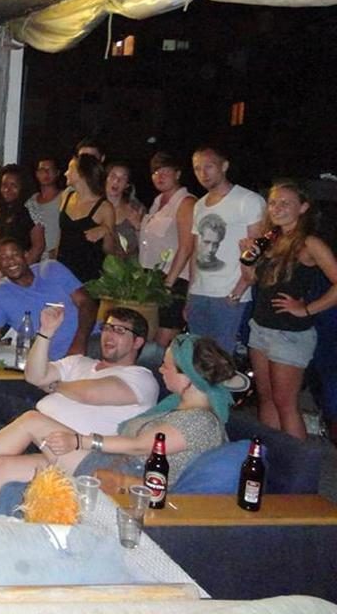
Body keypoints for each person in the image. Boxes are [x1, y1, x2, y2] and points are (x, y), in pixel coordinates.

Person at [0, 334, 241, 517]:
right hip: (116, 463)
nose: (161, 369)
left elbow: (141, 445)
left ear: (188, 377)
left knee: (32, 421)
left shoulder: (201, 422)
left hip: (122, 475)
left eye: (167, 364)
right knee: (4, 466)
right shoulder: (180, 407)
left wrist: (81, 440)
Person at [0, 305, 159, 468]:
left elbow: (91, 394)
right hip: (30, 415)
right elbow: (35, 376)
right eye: (107, 328)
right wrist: (46, 332)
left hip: (57, 441)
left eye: (120, 331)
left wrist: (55, 385)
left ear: (138, 342)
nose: (109, 335)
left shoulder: (141, 377)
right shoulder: (80, 361)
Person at [246, 180, 337, 439]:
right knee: (266, 399)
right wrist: (247, 256)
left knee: (286, 404)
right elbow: (254, 279)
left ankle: (297, 471)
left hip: (290, 334)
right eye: (273, 202)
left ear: (303, 207)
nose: (277, 208)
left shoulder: (309, 243)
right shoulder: (270, 240)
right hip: (260, 327)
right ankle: (268, 459)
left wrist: (307, 309)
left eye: (286, 203)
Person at [0, 237, 97, 367]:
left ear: (26, 255)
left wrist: (79, 343)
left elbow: (87, 303)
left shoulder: (51, 269)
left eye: (15, 255)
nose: (10, 261)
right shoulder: (0, 294)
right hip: (57, 363)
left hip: (91, 339)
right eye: (3, 258)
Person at [187, 145, 266, 354]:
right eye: (197, 168)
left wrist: (236, 293)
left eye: (209, 166)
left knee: (223, 359)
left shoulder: (248, 201)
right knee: (198, 358)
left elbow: (259, 250)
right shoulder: (200, 205)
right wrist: (190, 294)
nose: (203, 173)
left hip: (229, 294)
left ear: (224, 166)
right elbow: (196, 252)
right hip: (200, 293)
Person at [139, 151, 196, 347]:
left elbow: (187, 246)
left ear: (178, 174)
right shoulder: (157, 203)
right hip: (151, 280)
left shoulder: (186, 202)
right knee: (148, 339)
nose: (159, 176)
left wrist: (169, 283)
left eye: (165, 171)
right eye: (155, 172)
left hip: (173, 280)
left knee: (162, 342)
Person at [55, 153, 116, 283]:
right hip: (63, 271)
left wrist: (106, 231)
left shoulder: (104, 207)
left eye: (70, 169)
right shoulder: (66, 197)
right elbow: (61, 237)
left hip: (88, 276)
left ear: (82, 173)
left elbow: (110, 250)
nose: (66, 173)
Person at [0, 164, 45, 262]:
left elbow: (38, 247)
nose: (7, 190)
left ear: (23, 187)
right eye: (4, 185)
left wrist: (21, 270)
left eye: (14, 185)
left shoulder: (31, 209)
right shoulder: (4, 210)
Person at [105, 161, 145, 258]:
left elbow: (147, 245)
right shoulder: (93, 206)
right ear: (105, 178)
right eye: (113, 176)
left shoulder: (136, 209)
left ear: (127, 185)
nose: (116, 181)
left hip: (129, 269)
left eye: (123, 178)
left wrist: (139, 227)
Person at [25, 155, 63, 260]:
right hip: (35, 258)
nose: (46, 173)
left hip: (56, 258)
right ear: (37, 174)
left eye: (49, 169)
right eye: (42, 170)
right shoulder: (31, 202)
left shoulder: (66, 198)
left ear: (57, 173)